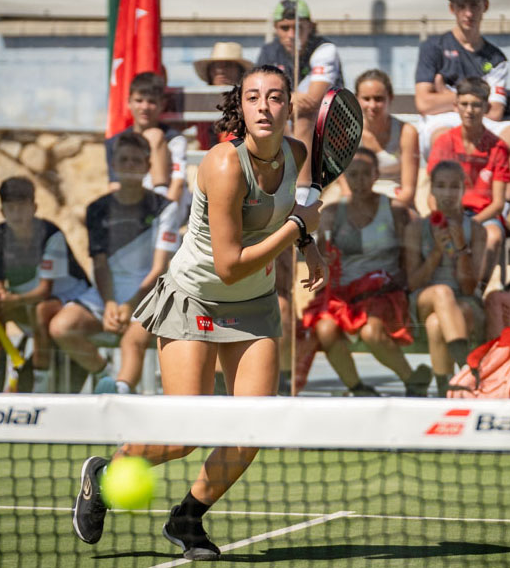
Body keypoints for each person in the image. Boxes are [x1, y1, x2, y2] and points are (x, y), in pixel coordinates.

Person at [72, 65, 326, 560]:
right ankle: (102, 477)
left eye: (275, 97)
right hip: (196, 298)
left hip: (254, 305)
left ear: (288, 107)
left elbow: (288, 214)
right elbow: (229, 266)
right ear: (241, 107)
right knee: (185, 434)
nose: (264, 106)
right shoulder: (223, 164)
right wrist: (298, 229)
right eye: (253, 97)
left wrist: (308, 243)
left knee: (253, 427)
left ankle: (187, 517)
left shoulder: (296, 155)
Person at [49, 132, 181, 394]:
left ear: (147, 166)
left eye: (136, 160)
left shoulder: (166, 207)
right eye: (124, 160)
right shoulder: (97, 208)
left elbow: (160, 268)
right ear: (113, 165)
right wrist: (110, 303)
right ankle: (105, 377)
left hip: (150, 294)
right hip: (105, 296)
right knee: (61, 327)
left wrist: (130, 305)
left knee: (132, 340)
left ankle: (121, 393)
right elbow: (99, 263)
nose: (129, 165)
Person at [302, 148, 431, 397]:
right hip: (343, 295)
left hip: (385, 293)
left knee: (371, 331)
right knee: (324, 329)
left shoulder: (396, 211)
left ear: (376, 175)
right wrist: (324, 259)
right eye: (353, 174)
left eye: (365, 174)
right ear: (344, 177)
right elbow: (321, 261)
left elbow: (411, 261)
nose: (359, 181)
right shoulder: (331, 213)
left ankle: (412, 381)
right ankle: (358, 388)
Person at [413, 0, 510, 219]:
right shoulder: (433, 47)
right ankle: (446, 217)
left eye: (474, 6)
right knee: (444, 138)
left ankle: (499, 213)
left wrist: (447, 94)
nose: (468, 14)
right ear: (452, 8)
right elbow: (424, 102)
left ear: (485, 6)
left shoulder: (495, 58)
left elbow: (495, 111)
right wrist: (472, 97)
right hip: (443, 122)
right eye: (462, 6)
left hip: (482, 122)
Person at [0, 177, 90, 393]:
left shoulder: (51, 234)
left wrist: (13, 300)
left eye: (22, 207)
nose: (17, 214)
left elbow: (45, 291)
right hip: (30, 300)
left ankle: (40, 389)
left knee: (40, 310)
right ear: (2, 212)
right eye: (11, 208)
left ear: (34, 208)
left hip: (69, 301)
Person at [405, 160, 486, 397]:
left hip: (464, 300)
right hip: (425, 298)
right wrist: (436, 253)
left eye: (454, 187)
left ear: (463, 189)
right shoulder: (416, 229)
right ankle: (469, 369)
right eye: (441, 186)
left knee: (436, 324)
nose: (447, 193)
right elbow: (412, 283)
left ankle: (445, 388)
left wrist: (461, 248)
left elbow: (469, 288)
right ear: (431, 189)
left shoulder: (476, 230)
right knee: (442, 292)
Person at [426, 77, 510, 287]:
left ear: (487, 108)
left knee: (492, 237)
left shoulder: (498, 147)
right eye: (464, 104)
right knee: (424, 234)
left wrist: (470, 224)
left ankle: (477, 291)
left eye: (476, 105)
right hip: (449, 212)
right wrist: (441, 218)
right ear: (456, 106)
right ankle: (436, 287)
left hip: (483, 216)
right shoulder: (445, 141)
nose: (469, 110)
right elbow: (432, 195)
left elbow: (498, 203)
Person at [256, 0, 344, 187]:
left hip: (331, 127)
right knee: (275, 114)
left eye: (298, 28)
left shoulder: (325, 49)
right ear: (276, 28)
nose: (291, 34)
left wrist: (282, 98)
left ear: (311, 27)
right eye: (285, 28)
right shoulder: (269, 52)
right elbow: (260, 95)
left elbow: (312, 100)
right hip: (289, 124)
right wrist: (291, 98)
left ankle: (302, 188)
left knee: (301, 115)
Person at [339, 69, 421, 211]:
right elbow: (344, 185)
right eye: (366, 99)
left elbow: (408, 191)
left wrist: (382, 211)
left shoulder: (407, 132)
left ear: (390, 98)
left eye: (378, 99)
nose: (372, 105)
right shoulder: (345, 133)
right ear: (357, 99)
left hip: (396, 200)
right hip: (358, 200)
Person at [105, 71, 189, 205]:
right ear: (129, 102)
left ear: (162, 104)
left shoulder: (175, 139)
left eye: (151, 102)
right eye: (139, 101)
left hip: (168, 207)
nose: (144, 107)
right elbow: (115, 185)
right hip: (132, 209)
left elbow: (177, 184)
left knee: (154, 135)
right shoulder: (115, 142)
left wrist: (164, 211)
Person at [193, 42, 254, 150]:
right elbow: (177, 124)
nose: (220, 70)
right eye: (216, 66)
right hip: (205, 157)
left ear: (239, 71)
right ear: (209, 71)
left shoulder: (250, 102)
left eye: (228, 65)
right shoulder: (200, 101)